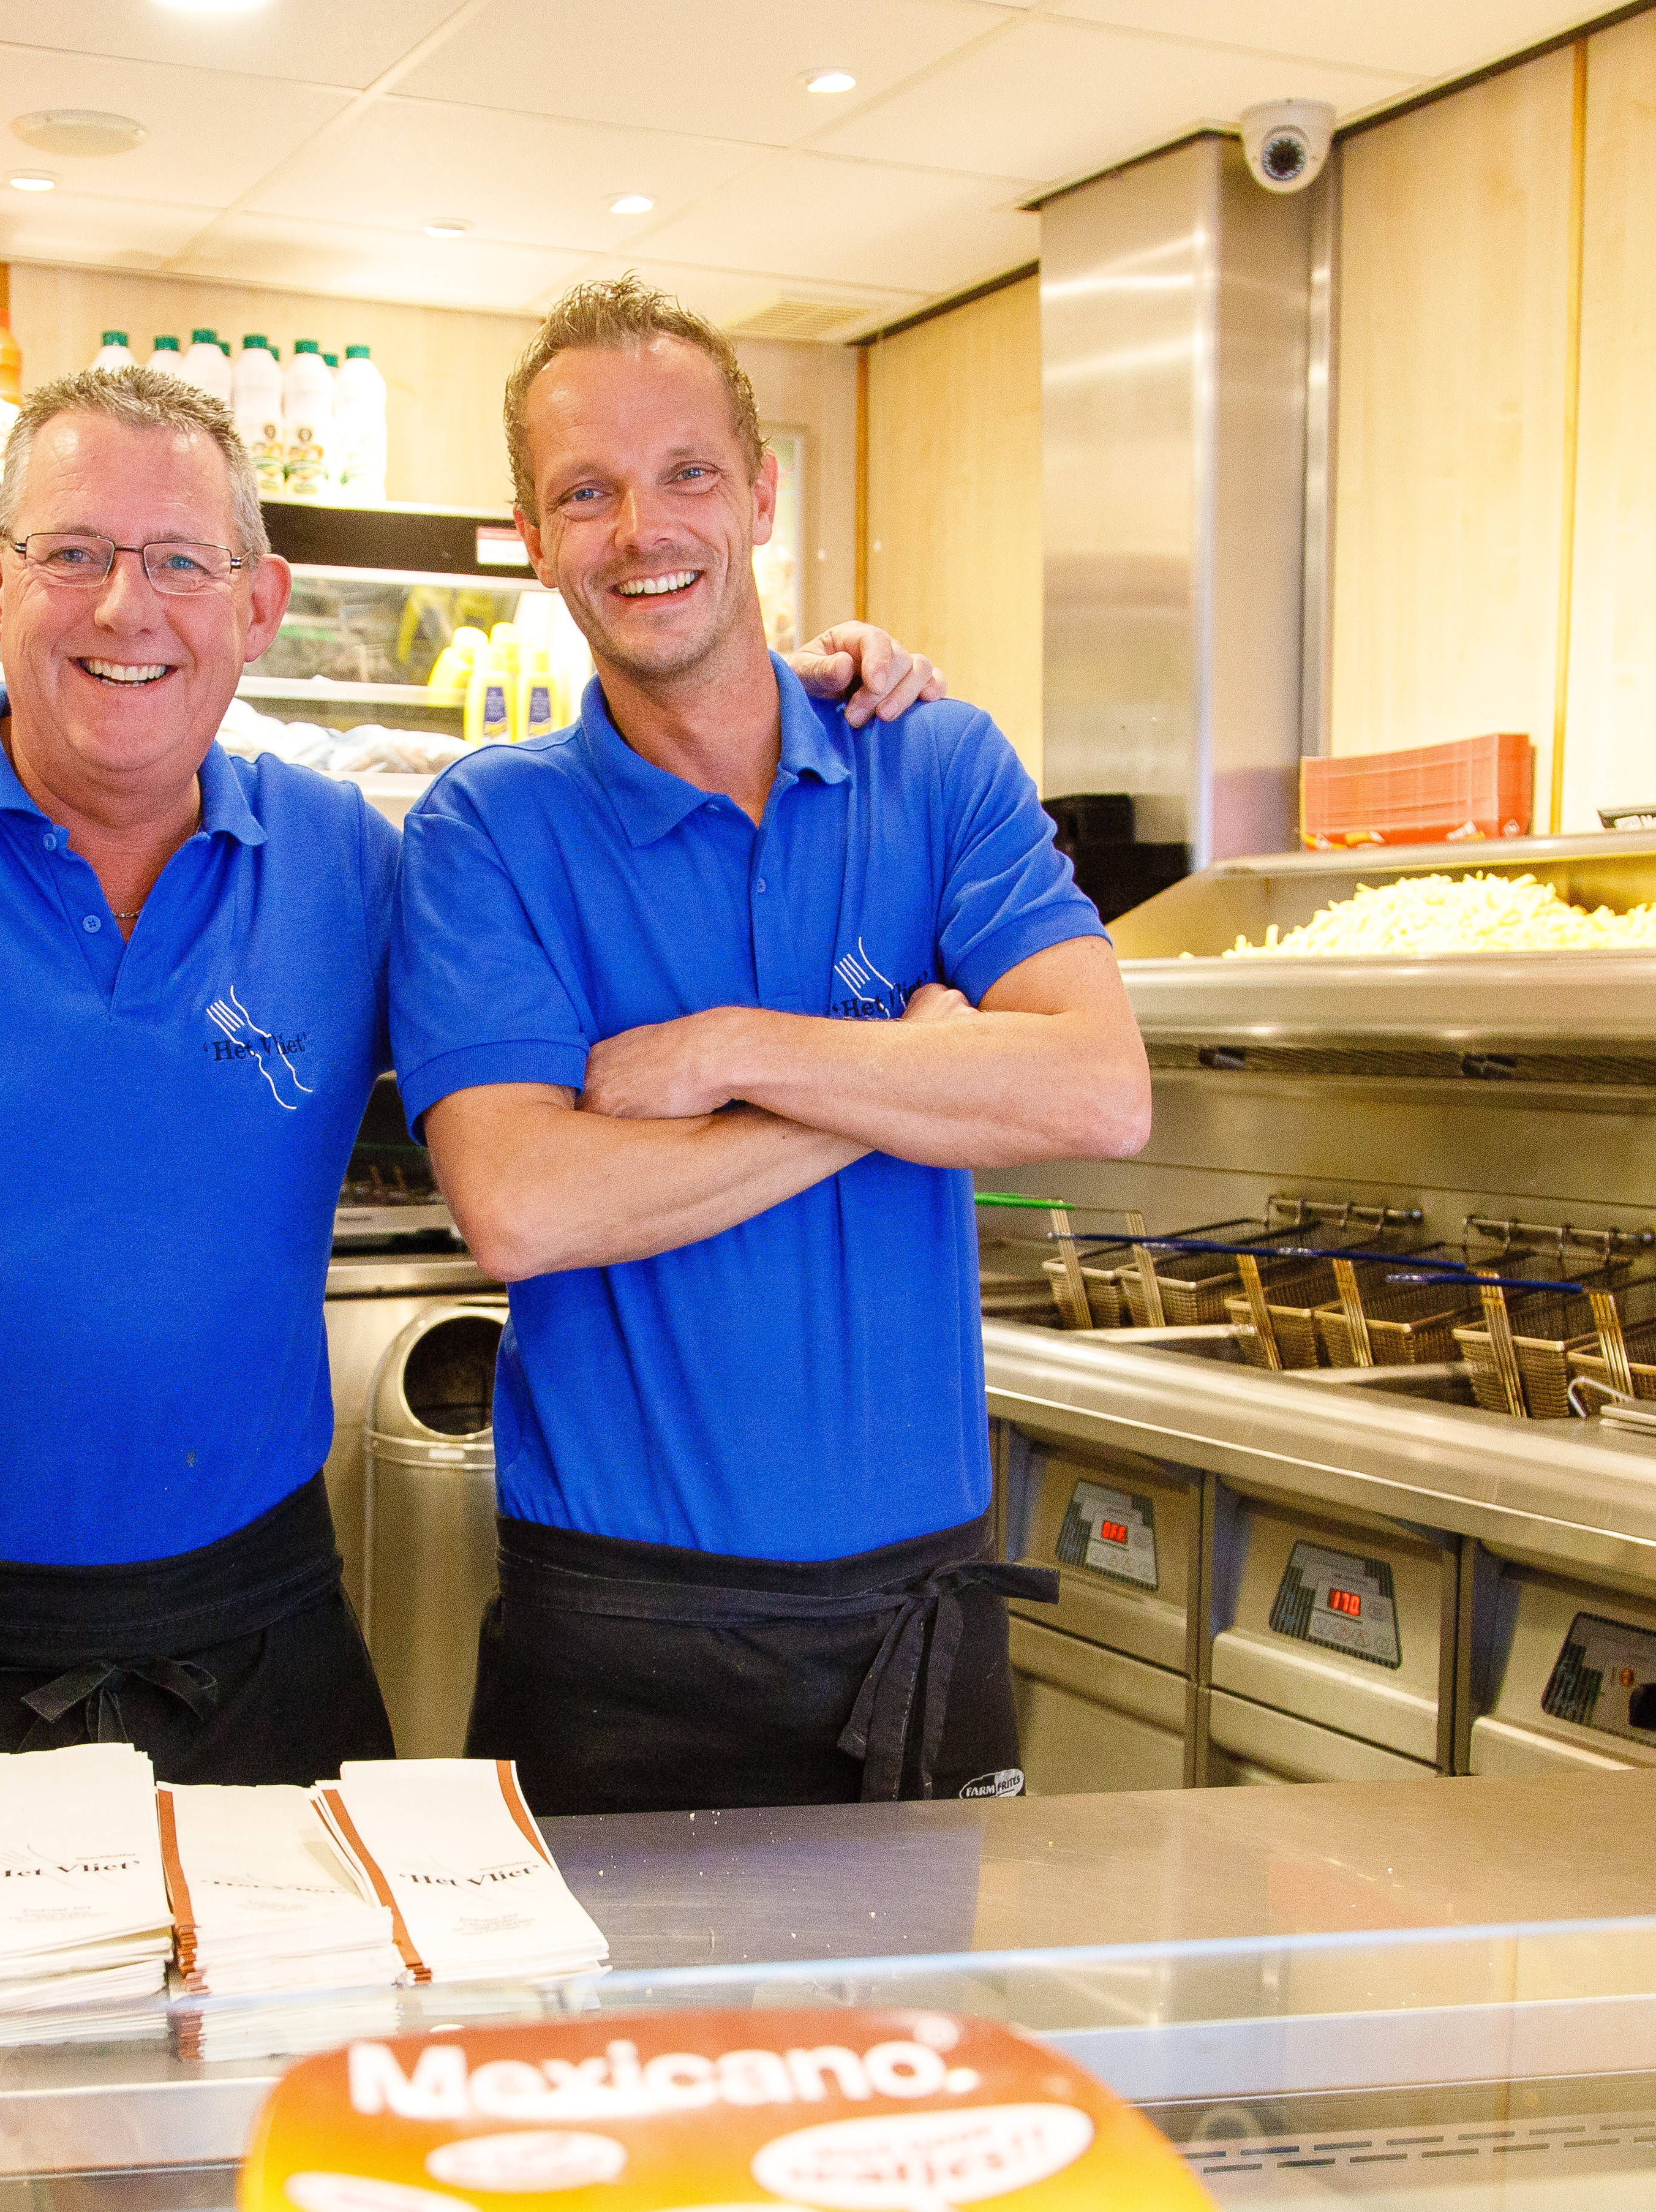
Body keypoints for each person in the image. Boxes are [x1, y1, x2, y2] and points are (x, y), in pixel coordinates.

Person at [0, 363, 942, 1780]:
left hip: (259, 1651)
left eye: (183, 561)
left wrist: (787, 695)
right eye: (73, 554)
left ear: (260, 605)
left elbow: (607, 1034)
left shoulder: (359, 868)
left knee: (303, 2035)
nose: (129, 607)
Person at [390, 277, 1154, 1817]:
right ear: (534, 541)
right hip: (619, 1630)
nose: (642, 527)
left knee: (915, 2064)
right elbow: (522, 1204)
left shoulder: (933, 763)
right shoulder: (489, 827)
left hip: (917, 1615)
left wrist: (732, 1046)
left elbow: (1096, 1083)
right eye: (584, 494)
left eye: (686, 474)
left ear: (761, 493)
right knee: (612, 2066)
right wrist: (900, 1078)